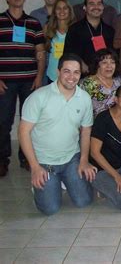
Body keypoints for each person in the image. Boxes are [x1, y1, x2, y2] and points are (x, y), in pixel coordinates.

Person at [18, 53, 96, 215]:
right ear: (58, 71)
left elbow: (86, 130)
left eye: (76, 72)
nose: (71, 77)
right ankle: (45, 185)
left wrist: (84, 160)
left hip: (71, 158)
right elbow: (23, 132)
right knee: (50, 209)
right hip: (44, 162)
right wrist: (35, 167)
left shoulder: (84, 98)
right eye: (67, 71)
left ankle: (67, 180)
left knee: (84, 201)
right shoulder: (39, 97)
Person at [0, 0, 46, 175]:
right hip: (5, 82)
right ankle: (2, 160)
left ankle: (27, 157)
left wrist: (39, 77)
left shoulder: (33, 23)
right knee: (4, 121)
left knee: (30, 121)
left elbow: (41, 53)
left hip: (29, 80)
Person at [64, 0, 115, 74]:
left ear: (103, 7)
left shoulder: (110, 31)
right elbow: (68, 53)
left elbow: (114, 55)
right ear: (85, 7)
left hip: (105, 75)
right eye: (92, 4)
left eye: (99, 4)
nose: (96, 7)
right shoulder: (74, 29)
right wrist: (80, 63)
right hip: (82, 75)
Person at [80, 48, 121, 118]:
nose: (109, 66)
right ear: (97, 65)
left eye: (112, 62)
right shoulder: (86, 83)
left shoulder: (119, 82)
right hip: (92, 126)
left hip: (116, 124)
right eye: (104, 62)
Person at [44, 0, 75, 83]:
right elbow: (45, 50)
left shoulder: (75, 29)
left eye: (65, 8)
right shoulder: (48, 28)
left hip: (70, 75)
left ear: (69, 10)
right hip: (52, 75)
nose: (62, 11)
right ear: (54, 11)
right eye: (58, 8)